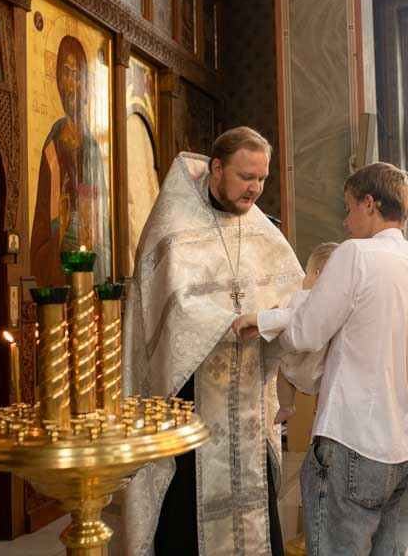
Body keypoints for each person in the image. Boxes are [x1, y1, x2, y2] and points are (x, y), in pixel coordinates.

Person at [235, 162, 408, 555]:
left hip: (350, 441)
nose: (346, 222)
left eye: (348, 208)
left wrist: (263, 320)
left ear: (369, 203)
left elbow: (308, 331)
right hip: (398, 448)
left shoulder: (356, 255)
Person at [117, 127, 304, 556]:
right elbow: (172, 307)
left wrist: (272, 320)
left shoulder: (259, 227)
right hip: (190, 400)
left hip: (247, 401)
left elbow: (293, 291)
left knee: (254, 501)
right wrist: (228, 322)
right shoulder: (173, 227)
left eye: (262, 178)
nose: (255, 189)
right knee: (186, 510)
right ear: (216, 168)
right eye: (245, 177)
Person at [30, 35, 111, 287]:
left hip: (92, 269)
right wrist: (62, 227)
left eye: (78, 75)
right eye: (66, 73)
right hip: (60, 269)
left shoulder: (95, 151)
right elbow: (41, 233)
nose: (72, 84)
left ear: (86, 85)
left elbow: (104, 226)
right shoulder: (52, 146)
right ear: (58, 80)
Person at [235, 241, 339, 423]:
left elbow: (286, 317)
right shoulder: (338, 303)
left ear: (317, 274)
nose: (304, 280)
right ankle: (320, 411)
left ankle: (286, 407)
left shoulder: (307, 297)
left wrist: (255, 320)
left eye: (306, 274)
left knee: (283, 371)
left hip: (299, 367)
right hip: (322, 370)